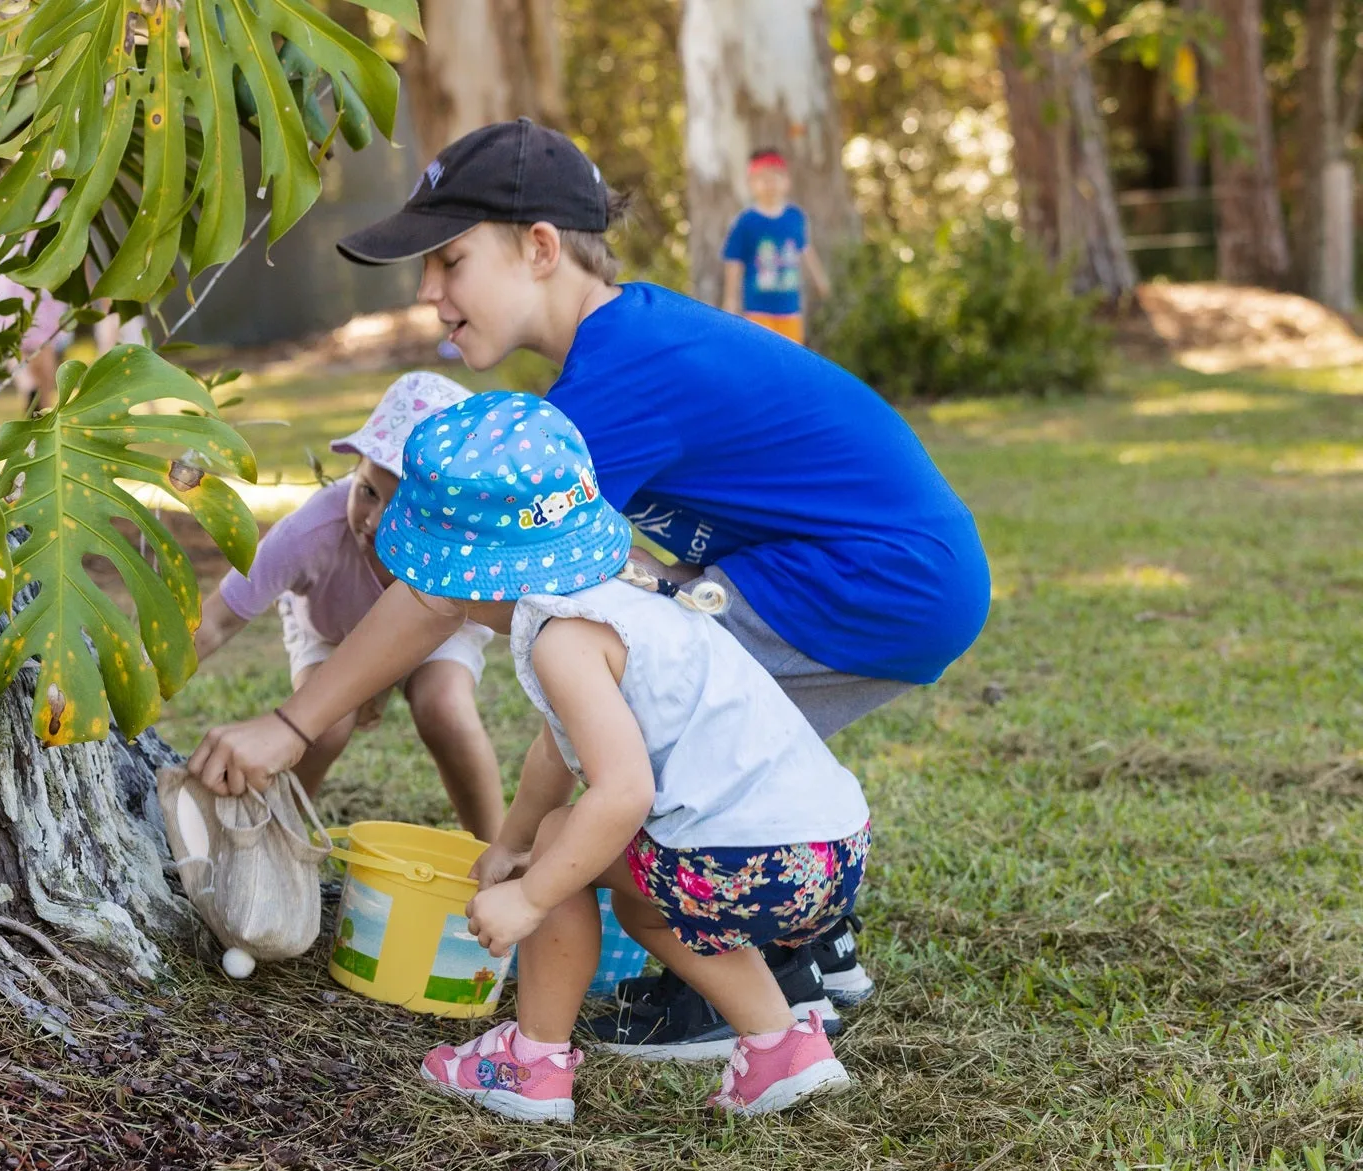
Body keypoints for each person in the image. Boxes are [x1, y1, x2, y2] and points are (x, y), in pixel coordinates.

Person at [186, 118, 991, 1056]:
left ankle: (764, 979)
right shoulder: (622, 347)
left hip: (868, 577)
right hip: (893, 575)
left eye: (448, 260)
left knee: (651, 731)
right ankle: (813, 941)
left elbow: (444, 590)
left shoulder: (613, 381)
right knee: (706, 741)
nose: (428, 291)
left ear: (537, 249)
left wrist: (290, 726)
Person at [386, 392, 869, 1122]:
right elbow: (560, 749)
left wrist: (532, 888)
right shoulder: (626, 596)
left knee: (563, 848)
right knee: (643, 901)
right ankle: (781, 1048)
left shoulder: (564, 638)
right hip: (830, 849)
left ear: (471, 574)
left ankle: (531, 1063)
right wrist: (508, 844)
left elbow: (621, 793)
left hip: (746, 858)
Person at [192, 371, 505, 841]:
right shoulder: (310, 532)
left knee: (445, 707)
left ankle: (495, 850)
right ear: (355, 468)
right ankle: (278, 837)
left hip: (437, 635)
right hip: (329, 629)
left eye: (405, 509)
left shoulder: (460, 552)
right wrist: (137, 691)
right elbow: (216, 620)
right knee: (327, 722)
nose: (376, 522)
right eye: (368, 491)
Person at [720, 148, 830, 345]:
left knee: (791, 356)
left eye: (775, 177)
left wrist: (820, 279)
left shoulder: (795, 217)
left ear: (786, 182)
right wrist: (730, 300)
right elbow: (734, 260)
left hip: (790, 307)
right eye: (762, 178)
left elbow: (805, 248)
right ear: (751, 184)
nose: (769, 184)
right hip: (758, 308)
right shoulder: (746, 221)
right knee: (762, 355)